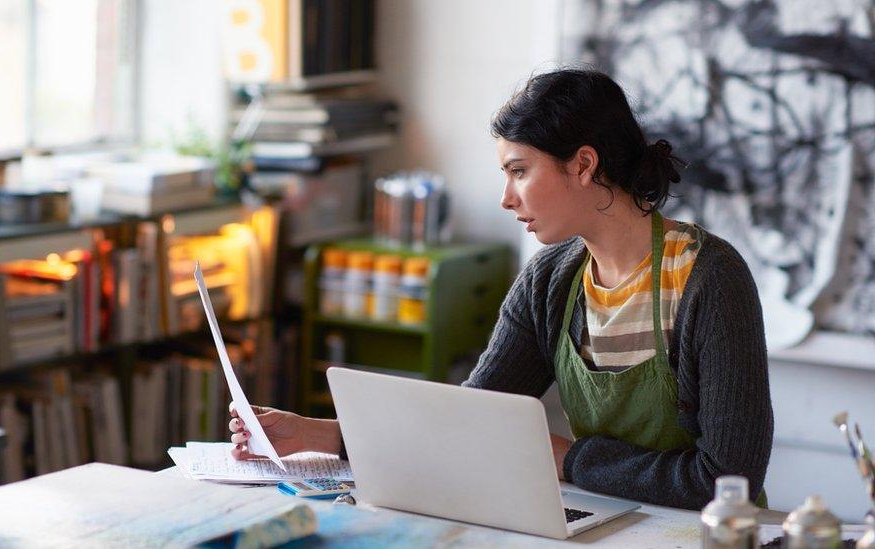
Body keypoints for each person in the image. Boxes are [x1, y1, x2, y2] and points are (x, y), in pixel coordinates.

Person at [227, 69, 773, 511]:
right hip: (608, 521)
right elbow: (465, 424)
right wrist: (316, 435)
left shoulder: (710, 279)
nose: (506, 198)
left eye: (519, 171)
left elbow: (727, 481)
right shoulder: (551, 280)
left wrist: (568, 460)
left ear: (584, 164)